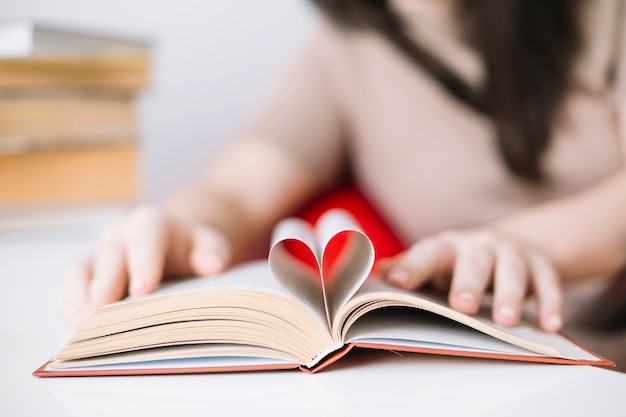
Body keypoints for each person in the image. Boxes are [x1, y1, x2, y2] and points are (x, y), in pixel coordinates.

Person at [61, 0, 626, 336]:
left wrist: (520, 245)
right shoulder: (345, 54)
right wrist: (176, 226)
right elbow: (233, 191)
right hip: (480, 366)